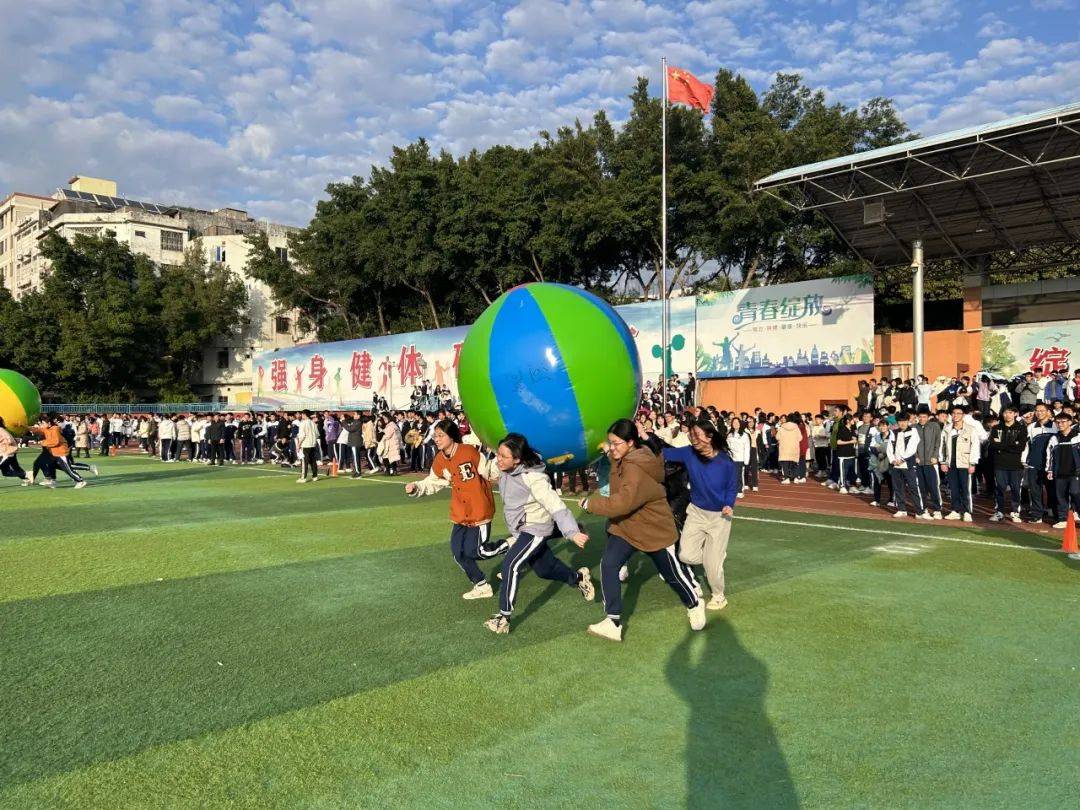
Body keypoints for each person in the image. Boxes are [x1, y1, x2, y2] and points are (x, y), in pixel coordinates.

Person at [580, 419, 704, 642]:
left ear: (630, 442)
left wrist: (590, 504)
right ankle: (613, 621)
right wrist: (608, 450)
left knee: (672, 575)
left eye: (617, 443)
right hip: (627, 526)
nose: (613, 447)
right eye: (611, 442)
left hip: (653, 530)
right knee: (609, 564)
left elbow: (622, 503)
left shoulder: (636, 468)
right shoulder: (629, 455)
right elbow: (618, 462)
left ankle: (694, 602)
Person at [482, 433, 592, 634]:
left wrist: (572, 531)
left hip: (534, 528)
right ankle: (578, 578)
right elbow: (488, 468)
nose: (499, 459)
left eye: (504, 456)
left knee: (511, 565)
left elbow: (555, 505)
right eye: (499, 454)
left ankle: (503, 617)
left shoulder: (533, 477)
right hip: (522, 528)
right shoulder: (505, 467)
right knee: (544, 569)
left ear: (518, 459)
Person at [406, 419, 508, 600]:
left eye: (440, 435)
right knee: (458, 553)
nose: (436, 439)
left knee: (476, 551)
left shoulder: (469, 452)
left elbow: (489, 472)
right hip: (460, 513)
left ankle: (510, 545)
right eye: (435, 436)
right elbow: (434, 482)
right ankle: (481, 585)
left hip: (479, 509)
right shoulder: (439, 460)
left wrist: (500, 461)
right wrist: (417, 487)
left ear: (451, 436)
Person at [662, 419, 739, 612]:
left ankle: (719, 596)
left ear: (710, 436)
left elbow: (732, 488)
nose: (693, 438)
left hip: (720, 517)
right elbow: (664, 453)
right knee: (686, 555)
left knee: (712, 568)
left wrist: (729, 505)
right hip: (696, 513)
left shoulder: (726, 462)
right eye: (691, 434)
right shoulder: (689, 453)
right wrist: (644, 439)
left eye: (697, 435)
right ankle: (713, 555)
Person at [886, 411, 929, 519]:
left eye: (904, 421)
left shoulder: (913, 431)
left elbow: (912, 447)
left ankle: (920, 511)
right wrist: (892, 460)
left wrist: (902, 459)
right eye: (900, 421)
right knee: (898, 488)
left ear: (908, 421)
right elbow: (889, 448)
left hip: (908, 464)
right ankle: (901, 509)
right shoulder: (893, 432)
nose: (902, 423)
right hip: (896, 465)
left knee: (914, 488)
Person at [940, 405, 980, 522]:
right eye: (953, 413)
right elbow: (942, 447)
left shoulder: (970, 429)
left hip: (964, 463)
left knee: (965, 488)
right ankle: (955, 511)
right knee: (953, 488)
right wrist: (943, 461)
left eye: (958, 413)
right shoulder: (947, 429)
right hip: (951, 464)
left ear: (963, 415)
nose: (955, 415)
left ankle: (967, 511)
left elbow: (975, 447)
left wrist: (972, 463)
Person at [988, 405, 1025, 523]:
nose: (1007, 415)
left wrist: (1002, 446)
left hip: (1016, 464)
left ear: (1015, 414)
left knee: (1015, 489)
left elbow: (1021, 447)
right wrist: (1012, 444)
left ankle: (1015, 512)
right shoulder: (996, 428)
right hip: (1000, 463)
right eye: (1005, 412)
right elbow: (993, 445)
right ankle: (999, 511)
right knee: (1000, 488)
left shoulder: (1021, 428)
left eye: (1010, 412)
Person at [1045, 411, 1079, 530]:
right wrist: (1049, 470)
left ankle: (1077, 512)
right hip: (1059, 472)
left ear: (1070, 422)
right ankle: (1063, 519)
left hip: (1076, 472)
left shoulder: (1077, 436)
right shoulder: (1055, 437)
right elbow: (1049, 455)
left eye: (1063, 422)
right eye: (1058, 422)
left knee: (1076, 492)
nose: (1060, 424)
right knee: (1060, 496)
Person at [913, 407, 944, 519]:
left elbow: (938, 442)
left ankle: (937, 509)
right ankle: (923, 508)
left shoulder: (934, 426)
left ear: (928, 417)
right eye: (920, 416)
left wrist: (935, 456)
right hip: (919, 463)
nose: (922, 418)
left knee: (934, 486)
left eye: (924, 416)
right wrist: (916, 456)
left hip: (931, 463)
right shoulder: (914, 428)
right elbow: (912, 445)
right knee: (921, 487)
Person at [0, 416, 33, 485]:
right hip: (10, 451)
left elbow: (8, 439)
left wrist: (5, 443)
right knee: (14, 468)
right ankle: (27, 478)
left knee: (7, 472)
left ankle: (27, 474)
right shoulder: (1, 429)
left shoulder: (0, 430)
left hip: (7, 453)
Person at [296, 410, 320, 483]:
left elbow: (302, 436)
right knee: (313, 461)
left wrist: (298, 445)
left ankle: (303, 477)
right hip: (313, 444)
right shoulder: (313, 423)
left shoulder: (303, 423)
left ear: (304, 414)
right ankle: (315, 476)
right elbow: (317, 434)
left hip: (305, 445)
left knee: (304, 461)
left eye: (302, 414)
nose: (301, 415)